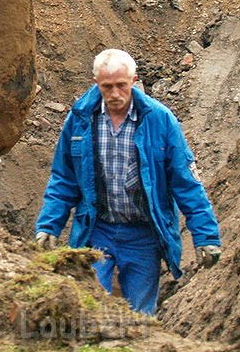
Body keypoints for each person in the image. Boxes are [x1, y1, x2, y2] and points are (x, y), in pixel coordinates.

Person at [34, 49, 221, 315]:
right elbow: (64, 180)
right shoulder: (79, 120)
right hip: (97, 230)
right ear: (95, 82)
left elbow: (186, 183)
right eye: (107, 86)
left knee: (140, 315)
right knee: (90, 307)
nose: (114, 94)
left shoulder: (160, 120)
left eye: (121, 85)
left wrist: (206, 237)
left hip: (144, 234)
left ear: (134, 81)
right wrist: (48, 226)